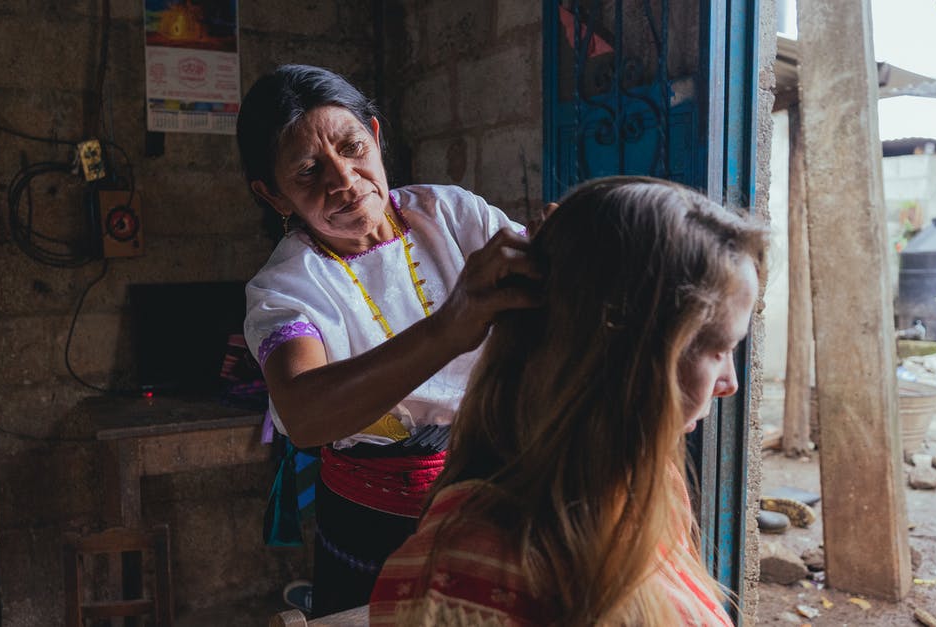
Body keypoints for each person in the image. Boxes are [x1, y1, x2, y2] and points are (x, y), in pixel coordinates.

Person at [370, 176, 768, 625]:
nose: (729, 382)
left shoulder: (643, 478)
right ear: (620, 355)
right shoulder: (465, 581)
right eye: (718, 350)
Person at [237, 64, 542, 617]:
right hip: (378, 528)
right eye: (308, 172)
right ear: (274, 195)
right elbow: (303, 413)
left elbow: (543, 283)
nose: (344, 180)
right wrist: (449, 328)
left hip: (499, 494)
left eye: (353, 148)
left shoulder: (451, 213)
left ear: (375, 138)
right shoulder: (286, 288)